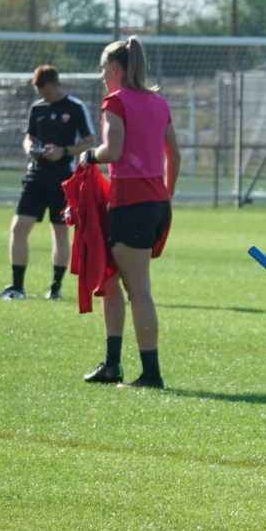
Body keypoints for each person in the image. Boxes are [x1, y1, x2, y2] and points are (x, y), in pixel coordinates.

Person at [79, 36, 180, 389]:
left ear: (115, 68)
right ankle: (112, 365)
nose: (101, 75)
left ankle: (151, 374)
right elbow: (174, 155)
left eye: (103, 68)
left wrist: (89, 155)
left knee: (139, 290)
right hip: (154, 203)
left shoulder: (116, 101)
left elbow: (113, 150)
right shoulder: (158, 102)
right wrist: (167, 195)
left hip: (131, 203)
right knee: (110, 281)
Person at [0, 65, 97, 300]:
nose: (45, 96)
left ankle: (55, 287)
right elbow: (29, 138)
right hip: (36, 176)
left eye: (48, 92)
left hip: (63, 178)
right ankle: (17, 287)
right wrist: (31, 148)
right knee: (18, 228)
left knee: (59, 231)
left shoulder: (75, 107)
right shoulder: (37, 108)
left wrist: (63, 151)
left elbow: (90, 142)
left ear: (57, 85)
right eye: (41, 93)